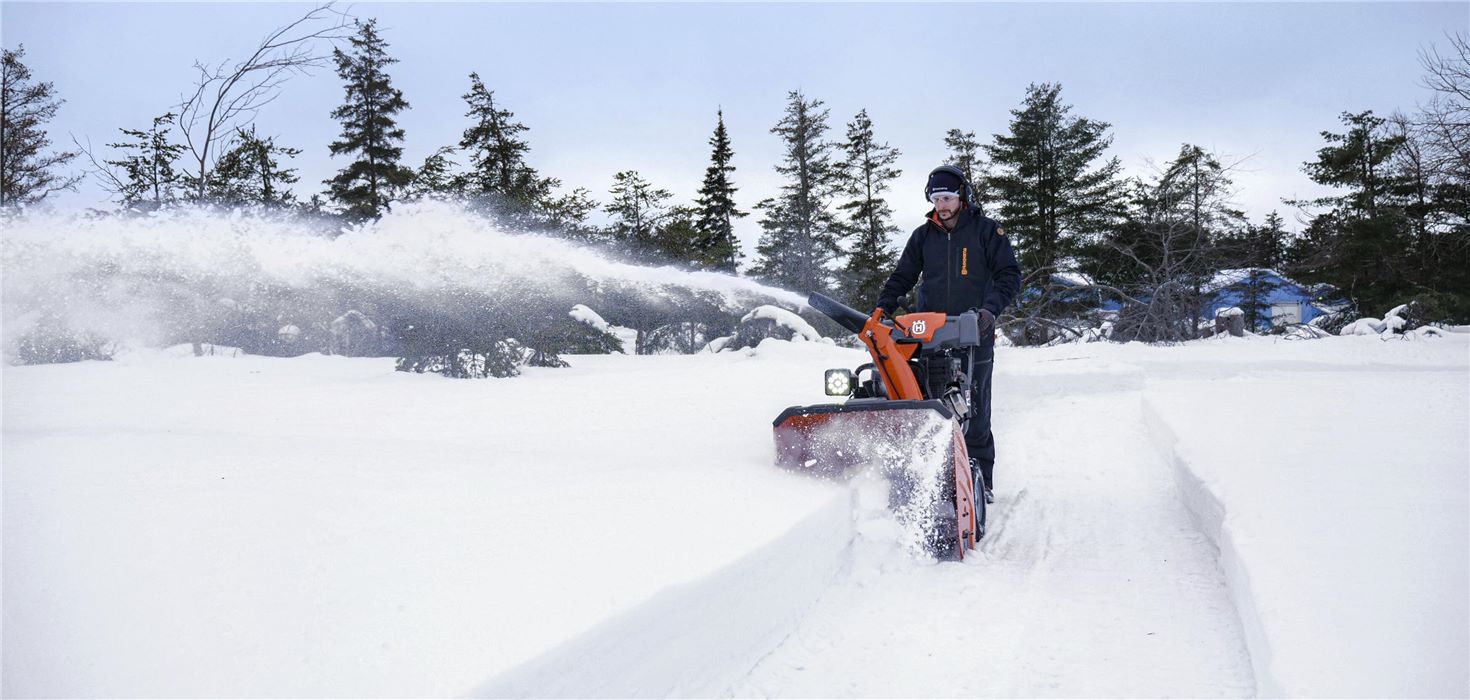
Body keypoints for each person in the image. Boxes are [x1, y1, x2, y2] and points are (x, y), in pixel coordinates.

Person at [874, 165, 1021, 502]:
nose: (942, 204)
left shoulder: (986, 232)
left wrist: (989, 311)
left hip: (974, 331)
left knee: (975, 406)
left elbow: (1009, 275)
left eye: (948, 197)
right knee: (925, 400)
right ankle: (927, 472)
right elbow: (903, 276)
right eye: (936, 198)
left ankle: (981, 478)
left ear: (962, 197)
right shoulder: (923, 236)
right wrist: (884, 307)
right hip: (928, 334)